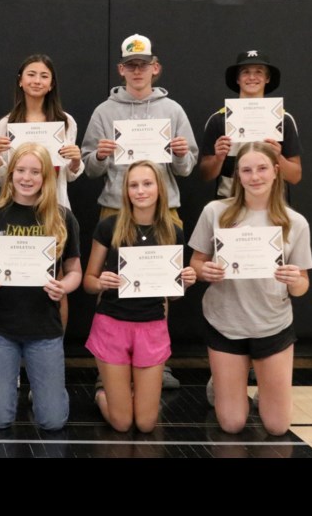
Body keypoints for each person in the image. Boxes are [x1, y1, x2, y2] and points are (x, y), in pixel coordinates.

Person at [81, 34, 198, 389]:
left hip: (163, 212)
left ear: (155, 68)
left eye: (143, 65)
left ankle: (156, 362)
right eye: (130, 65)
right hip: (116, 208)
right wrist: (100, 155)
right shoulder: (104, 112)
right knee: (109, 282)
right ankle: (109, 367)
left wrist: (179, 152)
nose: (137, 71)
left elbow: (187, 167)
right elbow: (88, 167)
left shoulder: (173, 111)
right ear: (121, 69)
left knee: (158, 283)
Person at [189, 141, 312, 436]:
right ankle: (225, 383)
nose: (254, 176)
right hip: (226, 322)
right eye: (246, 170)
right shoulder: (215, 212)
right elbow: (194, 264)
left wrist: (293, 280)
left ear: (275, 172)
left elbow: (302, 287)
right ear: (237, 176)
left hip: (272, 324)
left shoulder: (295, 223)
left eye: (261, 169)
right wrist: (204, 272)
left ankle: (261, 387)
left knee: (277, 426)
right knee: (232, 424)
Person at [0, 143, 81, 431]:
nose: (27, 178)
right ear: (10, 173)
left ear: (47, 177)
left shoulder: (63, 217)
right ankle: (11, 389)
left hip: (44, 329)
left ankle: (44, 390)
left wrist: (64, 287)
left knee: (53, 421)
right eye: (20, 170)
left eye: (35, 172)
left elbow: (74, 271)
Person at [0, 53, 84, 380]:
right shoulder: (4, 124)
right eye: (31, 74)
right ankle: (12, 367)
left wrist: (74, 160)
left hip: (55, 211)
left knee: (54, 284)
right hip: (16, 212)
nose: (37, 80)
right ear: (20, 80)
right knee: (18, 283)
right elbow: (1, 179)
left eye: (43, 75)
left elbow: (73, 174)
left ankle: (50, 359)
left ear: (51, 83)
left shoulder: (66, 121)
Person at [82, 161, 196, 433]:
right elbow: (87, 281)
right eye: (134, 185)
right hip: (112, 324)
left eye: (147, 184)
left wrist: (184, 283)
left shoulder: (172, 232)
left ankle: (125, 394)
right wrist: (100, 283)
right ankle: (102, 394)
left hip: (151, 326)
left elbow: (173, 296)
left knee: (145, 424)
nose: (140, 191)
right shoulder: (110, 227)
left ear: (160, 188)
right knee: (122, 423)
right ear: (126, 190)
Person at [199, 50, 302, 197]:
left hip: (272, 203)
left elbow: (295, 176)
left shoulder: (283, 119)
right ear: (237, 79)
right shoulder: (218, 119)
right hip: (229, 201)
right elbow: (205, 175)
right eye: (245, 72)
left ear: (267, 78)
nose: (252, 77)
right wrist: (218, 159)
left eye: (259, 72)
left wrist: (278, 157)